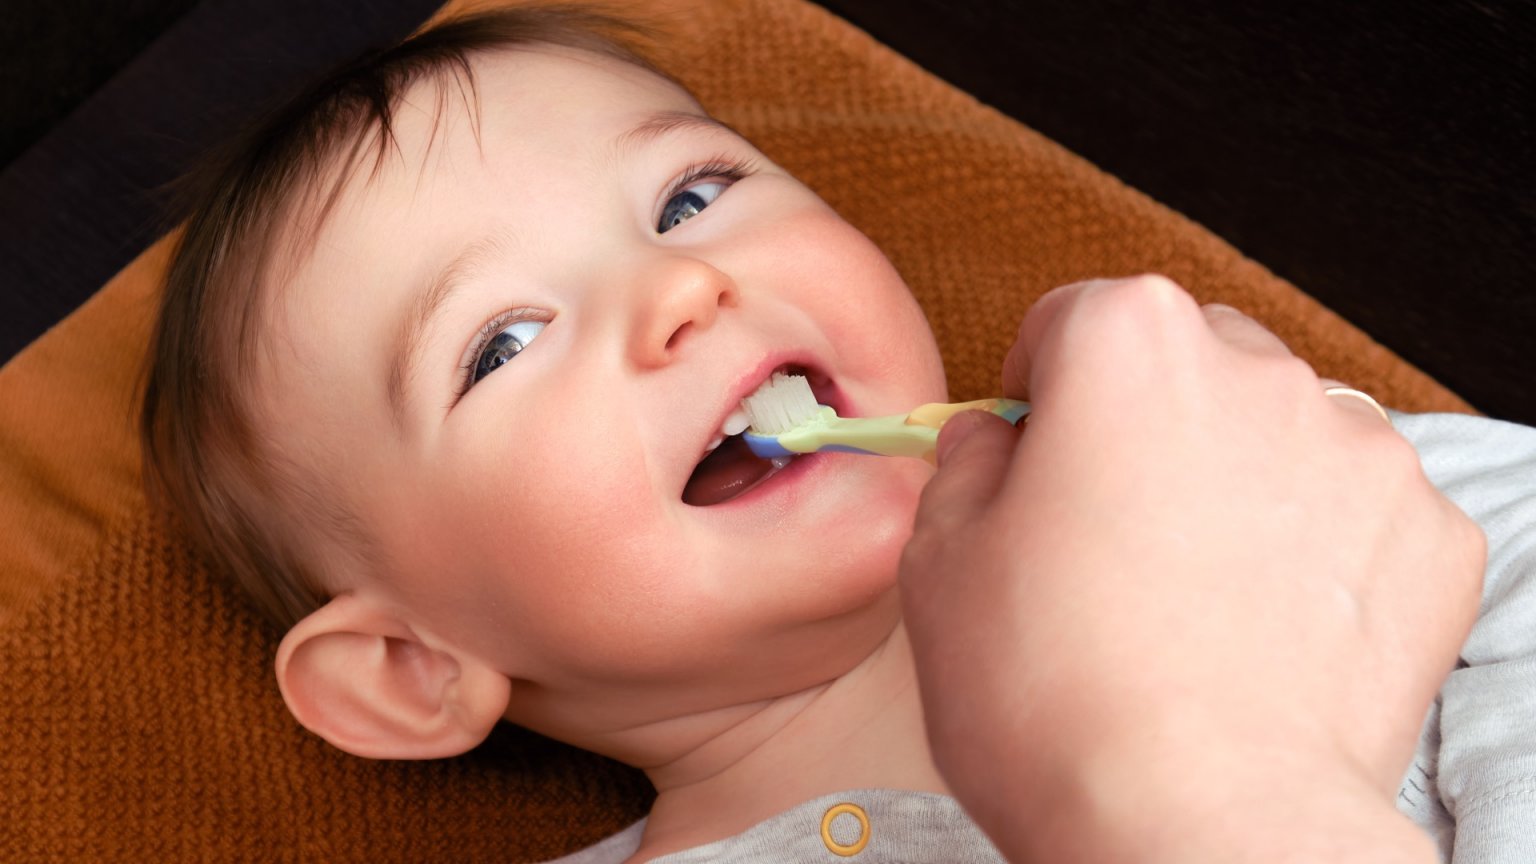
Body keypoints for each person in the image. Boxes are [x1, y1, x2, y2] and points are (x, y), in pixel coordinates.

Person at [138, 6, 1527, 862]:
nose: (680, 287)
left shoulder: (1256, 485)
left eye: (688, 196)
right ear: (406, 668)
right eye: (499, 344)